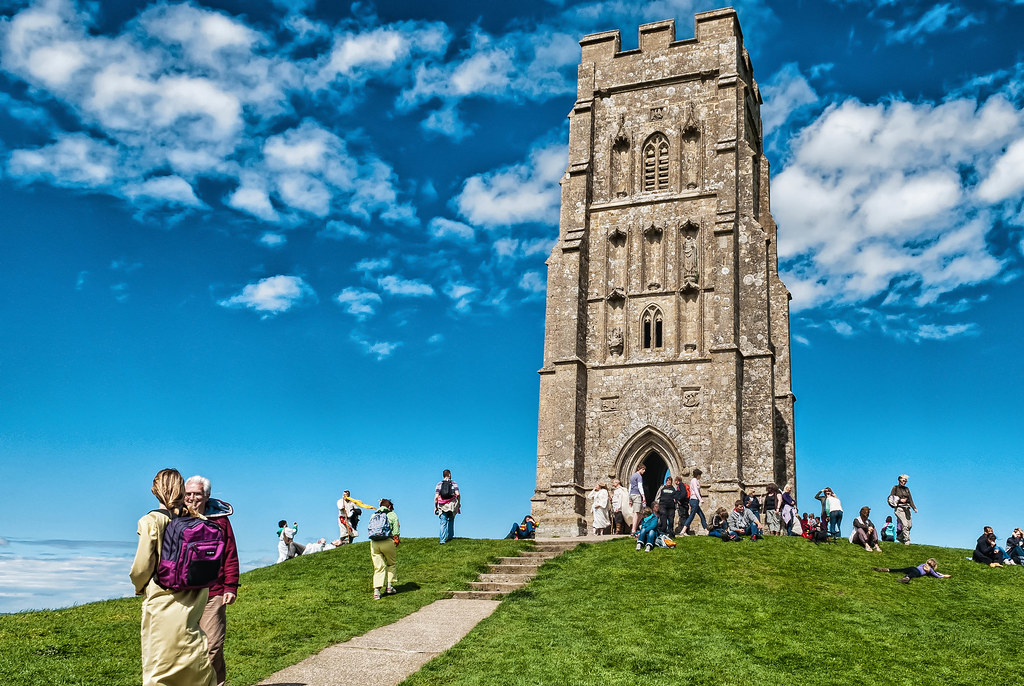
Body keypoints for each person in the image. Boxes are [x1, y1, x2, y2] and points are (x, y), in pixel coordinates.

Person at [130, 469, 216, 686]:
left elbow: (142, 567)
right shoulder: (198, 519)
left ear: (155, 490)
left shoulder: (151, 521)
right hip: (195, 596)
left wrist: (139, 586)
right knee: (192, 652)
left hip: (163, 598)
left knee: (160, 661)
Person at [184, 475, 239, 686]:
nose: (192, 498)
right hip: (184, 592)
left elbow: (230, 553)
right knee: (187, 648)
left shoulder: (220, 520)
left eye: (197, 494)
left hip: (213, 591)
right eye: (188, 494)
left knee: (213, 645)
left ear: (207, 496)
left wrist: (230, 586)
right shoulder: (177, 517)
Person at [369, 499, 400, 599]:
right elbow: (396, 529)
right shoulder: (392, 514)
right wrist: (396, 538)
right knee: (391, 564)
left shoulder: (374, 515)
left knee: (378, 567)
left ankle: (376, 592)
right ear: (389, 506)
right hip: (387, 541)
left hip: (374, 543)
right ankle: (389, 586)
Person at [888, 474, 918, 545]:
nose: (904, 482)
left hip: (907, 508)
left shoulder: (907, 489)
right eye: (903, 481)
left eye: (905, 481)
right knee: (905, 524)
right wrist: (900, 500)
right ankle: (907, 541)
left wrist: (914, 507)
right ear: (899, 480)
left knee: (909, 525)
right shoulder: (895, 488)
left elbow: (910, 499)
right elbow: (891, 498)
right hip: (899, 508)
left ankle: (900, 537)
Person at [434, 469, 460, 544]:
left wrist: (435, 507)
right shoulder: (453, 483)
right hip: (452, 505)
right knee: (451, 520)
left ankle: (442, 540)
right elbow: (458, 494)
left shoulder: (439, 484)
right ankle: (450, 537)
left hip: (442, 506)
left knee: (443, 522)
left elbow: (436, 497)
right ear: (449, 474)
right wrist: (458, 503)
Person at [872, 558, 950, 583]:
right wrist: (943, 576)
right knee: (911, 575)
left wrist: (940, 573)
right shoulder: (931, 570)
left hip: (913, 568)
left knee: (900, 570)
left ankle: (884, 569)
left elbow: (936, 572)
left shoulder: (923, 564)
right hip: (917, 572)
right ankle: (906, 578)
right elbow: (936, 575)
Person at [681, 469, 708, 536]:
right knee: (691, 516)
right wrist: (700, 499)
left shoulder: (695, 481)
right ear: (698, 475)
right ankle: (683, 531)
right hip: (694, 500)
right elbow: (696, 491)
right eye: (700, 475)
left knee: (702, 515)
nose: (700, 476)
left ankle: (706, 530)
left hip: (695, 501)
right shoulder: (694, 481)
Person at [628, 465, 646, 533]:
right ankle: (633, 529)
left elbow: (630, 487)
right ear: (639, 469)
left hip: (632, 494)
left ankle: (635, 526)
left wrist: (629, 498)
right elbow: (640, 486)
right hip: (637, 495)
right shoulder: (639, 476)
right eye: (643, 469)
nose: (644, 471)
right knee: (637, 512)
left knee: (641, 513)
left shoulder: (632, 476)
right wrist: (643, 496)